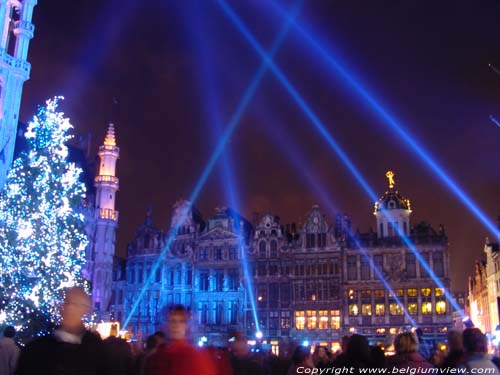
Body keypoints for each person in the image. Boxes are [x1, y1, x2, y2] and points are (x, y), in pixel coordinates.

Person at [15, 286, 108, 375]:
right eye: (67, 302)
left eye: (76, 304)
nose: (70, 308)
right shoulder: (35, 350)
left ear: (85, 310)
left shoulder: (97, 351)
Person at [143, 304, 216, 375]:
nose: (176, 325)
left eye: (181, 321)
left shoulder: (196, 356)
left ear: (186, 325)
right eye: (172, 321)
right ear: (166, 324)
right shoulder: (156, 358)